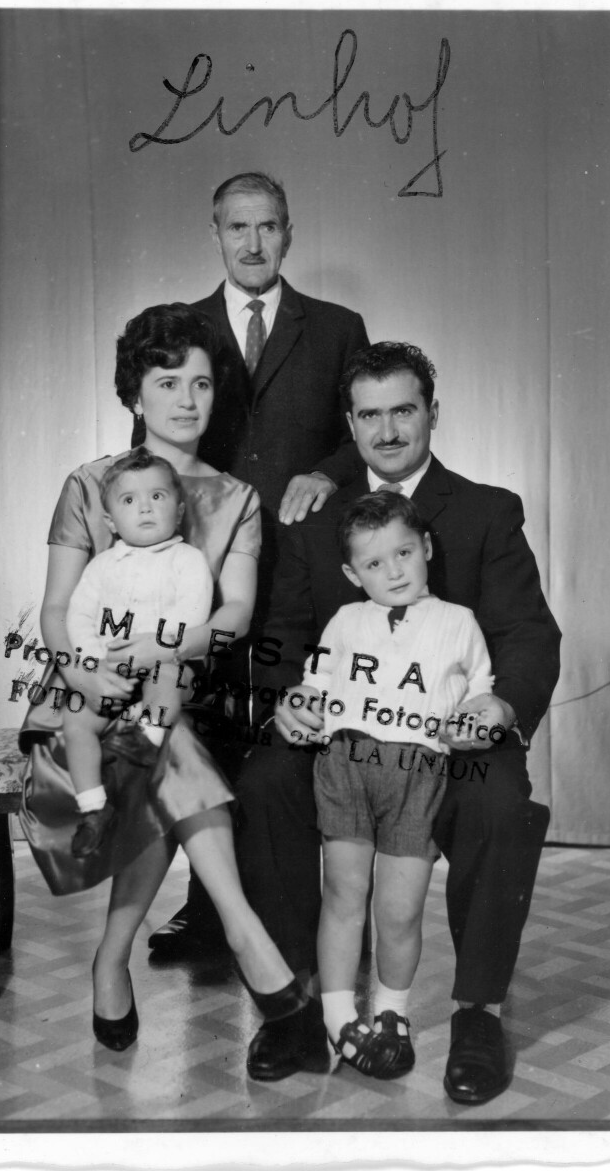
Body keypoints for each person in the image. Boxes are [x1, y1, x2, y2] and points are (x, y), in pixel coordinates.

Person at [236, 342, 561, 1099]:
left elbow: (527, 635)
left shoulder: (485, 510)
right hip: (343, 737)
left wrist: (499, 706)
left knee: (496, 801)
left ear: (431, 414)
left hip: (450, 736)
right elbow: (280, 635)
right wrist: (289, 696)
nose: (387, 432)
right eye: (370, 415)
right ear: (348, 424)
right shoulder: (315, 517)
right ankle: (295, 1003)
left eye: (403, 411)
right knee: (265, 785)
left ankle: (475, 1012)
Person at [21, 303, 328, 1081]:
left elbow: (232, 612)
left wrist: (169, 649)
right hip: (81, 695)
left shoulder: (236, 498)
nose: (188, 399)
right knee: (171, 755)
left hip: (181, 694)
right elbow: (58, 609)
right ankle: (245, 934)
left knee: (171, 741)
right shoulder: (91, 485)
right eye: (167, 383)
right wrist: (84, 668)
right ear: (135, 395)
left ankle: (111, 959)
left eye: (200, 383)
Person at [148, 169, 371, 959]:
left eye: (266, 226)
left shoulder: (337, 326)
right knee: (201, 730)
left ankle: (285, 915)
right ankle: (208, 910)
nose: (251, 242)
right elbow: (155, 436)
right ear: (215, 232)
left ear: (288, 232)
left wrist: (326, 473)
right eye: (236, 227)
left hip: (298, 570)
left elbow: (364, 433)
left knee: (276, 735)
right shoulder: (184, 326)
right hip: (202, 566)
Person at [302, 491, 493, 1079]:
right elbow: (315, 685)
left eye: (404, 553)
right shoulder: (345, 620)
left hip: (418, 773)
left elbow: (481, 692)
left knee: (400, 909)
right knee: (342, 894)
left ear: (426, 548)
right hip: (345, 764)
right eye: (374, 563)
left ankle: (391, 1014)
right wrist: (305, 702)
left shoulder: (458, 623)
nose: (394, 571)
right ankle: (338, 1018)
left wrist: (478, 716)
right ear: (350, 573)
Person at [62, 447, 214, 857]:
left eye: (158, 498)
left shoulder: (188, 560)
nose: (145, 508)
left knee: (168, 677)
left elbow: (192, 615)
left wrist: (153, 650)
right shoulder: (102, 566)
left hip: (167, 663)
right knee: (75, 719)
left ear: (179, 511)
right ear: (111, 521)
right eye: (130, 501)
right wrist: (95, 662)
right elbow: (78, 616)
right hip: (112, 669)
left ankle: (148, 737)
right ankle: (94, 807)